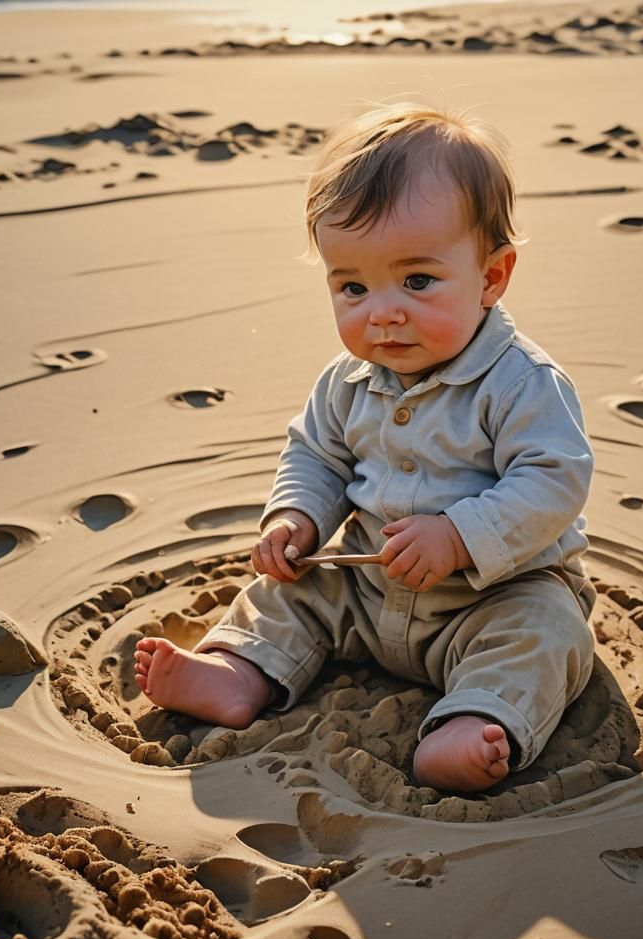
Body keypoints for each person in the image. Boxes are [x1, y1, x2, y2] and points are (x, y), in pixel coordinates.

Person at [134, 102, 597, 793]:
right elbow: (315, 456)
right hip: (367, 583)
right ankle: (239, 671)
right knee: (291, 589)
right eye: (352, 286)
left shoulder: (520, 382)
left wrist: (460, 536)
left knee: (547, 633)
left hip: (493, 595)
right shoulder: (347, 380)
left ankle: (475, 719)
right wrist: (296, 518)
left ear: (492, 277)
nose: (382, 311)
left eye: (417, 281)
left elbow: (554, 478)